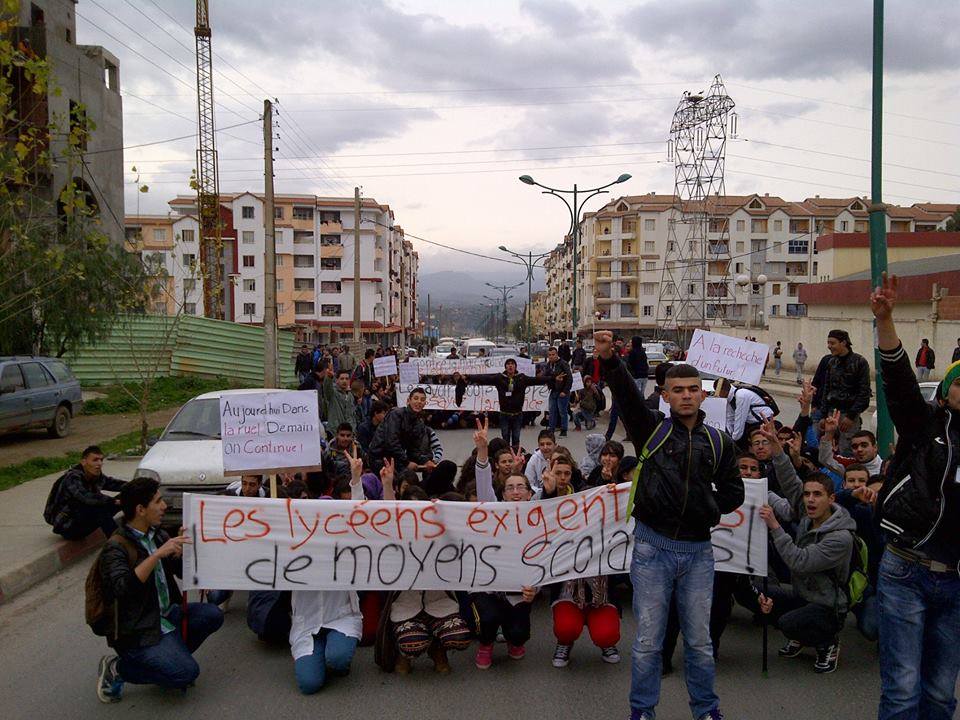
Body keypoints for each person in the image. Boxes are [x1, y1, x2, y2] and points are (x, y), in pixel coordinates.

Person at [595, 330, 743, 720]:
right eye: (678, 390)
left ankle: (707, 710)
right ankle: (642, 711)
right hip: (652, 549)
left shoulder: (720, 443)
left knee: (698, 642)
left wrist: (708, 506)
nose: (687, 396)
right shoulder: (652, 431)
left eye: (694, 389)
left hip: (698, 552)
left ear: (704, 394)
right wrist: (610, 359)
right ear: (665, 395)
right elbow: (626, 396)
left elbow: (734, 492)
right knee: (647, 642)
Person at [870, 272, 960, 720]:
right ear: (946, 392)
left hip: (957, 579)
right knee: (903, 690)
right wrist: (886, 322)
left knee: (942, 694)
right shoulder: (925, 427)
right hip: (907, 568)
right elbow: (899, 381)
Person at [95, 477, 224, 702]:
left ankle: (170, 662)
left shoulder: (159, 534)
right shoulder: (115, 548)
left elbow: (179, 572)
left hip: (165, 615)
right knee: (186, 673)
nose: (164, 506)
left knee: (212, 615)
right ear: (140, 509)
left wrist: (183, 552)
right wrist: (156, 555)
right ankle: (119, 668)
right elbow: (121, 589)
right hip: (139, 629)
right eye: (158, 501)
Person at [758, 473, 857, 674]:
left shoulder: (841, 538)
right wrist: (778, 452)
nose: (810, 499)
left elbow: (799, 561)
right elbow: (792, 484)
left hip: (828, 605)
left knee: (787, 623)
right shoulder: (807, 519)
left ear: (831, 499)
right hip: (803, 595)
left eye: (818, 494)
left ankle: (827, 643)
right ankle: (801, 634)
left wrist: (775, 526)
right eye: (807, 494)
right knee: (758, 592)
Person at [290, 448, 366, 694]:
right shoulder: (294, 548)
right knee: (309, 685)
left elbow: (361, 519)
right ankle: (318, 655)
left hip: (340, 616)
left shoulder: (347, 545)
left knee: (338, 660)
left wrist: (356, 480)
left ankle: (336, 654)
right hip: (307, 623)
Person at [542, 455, 622, 668]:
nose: (562, 477)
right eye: (557, 473)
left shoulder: (582, 496)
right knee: (567, 627)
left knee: (607, 634)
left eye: (566, 473)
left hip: (600, 590)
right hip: (568, 591)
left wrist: (606, 482)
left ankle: (606, 643)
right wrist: (548, 493)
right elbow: (543, 521)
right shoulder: (549, 498)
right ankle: (564, 642)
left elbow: (605, 503)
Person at [470, 417, 538, 668]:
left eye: (522, 487)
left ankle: (514, 639)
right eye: (510, 488)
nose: (516, 491)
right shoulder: (493, 510)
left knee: (520, 633)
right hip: (488, 587)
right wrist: (482, 450)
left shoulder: (538, 520)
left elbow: (545, 559)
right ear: (502, 494)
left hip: (518, 591)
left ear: (531, 495)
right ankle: (486, 642)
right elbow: (483, 482)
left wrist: (536, 589)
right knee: (486, 618)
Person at [456, 358, 549, 449]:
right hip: (504, 414)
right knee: (505, 437)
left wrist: (552, 378)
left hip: (518, 414)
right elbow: (484, 378)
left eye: (512, 364)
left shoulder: (522, 378)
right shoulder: (499, 378)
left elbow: (537, 380)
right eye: (508, 364)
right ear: (505, 367)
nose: (510, 366)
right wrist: (468, 376)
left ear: (515, 367)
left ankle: (515, 454)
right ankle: (506, 454)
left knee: (516, 437)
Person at [47, 446, 126, 541]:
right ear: (84, 462)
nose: (99, 463)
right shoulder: (72, 478)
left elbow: (113, 483)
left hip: (84, 518)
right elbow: (87, 497)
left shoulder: (95, 475)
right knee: (100, 509)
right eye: (95, 460)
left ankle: (138, 533)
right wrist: (114, 501)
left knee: (128, 496)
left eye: (101, 460)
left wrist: (138, 486)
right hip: (68, 525)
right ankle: (119, 544)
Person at [814, 329, 872, 455]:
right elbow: (826, 390)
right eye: (828, 343)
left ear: (844, 343)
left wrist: (851, 417)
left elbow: (864, 393)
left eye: (832, 343)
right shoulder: (831, 363)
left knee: (847, 451)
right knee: (826, 451)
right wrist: (823, 416)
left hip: (849, 417)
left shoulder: (859, 362)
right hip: (831, 414)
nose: (829, 346)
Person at [368, 387, 432, 476]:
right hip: (380, 457)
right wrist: (406, 462)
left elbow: (414, 450)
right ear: (408, 400)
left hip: (396, 458)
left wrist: (426, 461)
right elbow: (391, 442)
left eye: (422, 400)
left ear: (425, 403)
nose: (419, 402)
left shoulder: (419, 423)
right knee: (403, 479)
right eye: (416, 398)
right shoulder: (396, 414)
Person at [714, 378, 776, 446]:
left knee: (744, 443)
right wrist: (728, 435)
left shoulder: (741, 395)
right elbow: (730, 419)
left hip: (763, 421)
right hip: (750, 422)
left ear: (723, 391)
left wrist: (733, 441)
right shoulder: (729, 399)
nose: (718, 395)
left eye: (717, 392)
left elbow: (740, 419)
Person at [819, 418, 883, 478]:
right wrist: (829, 434)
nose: (859, 449)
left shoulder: (886, 467)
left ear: (875, 448)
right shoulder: (849, 466)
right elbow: (825, 459)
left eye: (864, 445)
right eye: (855, 447)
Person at [544, 346, 572, 437]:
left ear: (557, 355)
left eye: (553, 355)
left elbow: (569, 378)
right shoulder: (549, 364)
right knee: (552, 411)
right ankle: (551, 430)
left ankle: (564, 430)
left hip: (562, 391)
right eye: (549, 355)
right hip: (553, 391)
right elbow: (547, 375)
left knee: (562, 412)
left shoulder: (563, 364)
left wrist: (565, 391)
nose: (551, 357)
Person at [323, 367, 358, 434]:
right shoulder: (333, 393)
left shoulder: (350, 395)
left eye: (347, 379)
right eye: (342, 379)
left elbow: (352, 415)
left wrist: (353, 429)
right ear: (337, 380)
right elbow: (327, 388)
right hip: (335, 431)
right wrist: (329, 378)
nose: (344, 381)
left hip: (349, 433)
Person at [524, 429, 556, 496]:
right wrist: (542, 492)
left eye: (548, 444)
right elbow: (528, 483)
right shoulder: (534, 459)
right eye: (542, 444)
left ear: (555, 445)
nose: (545, 447)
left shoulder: (560, 457)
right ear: (538, 446)